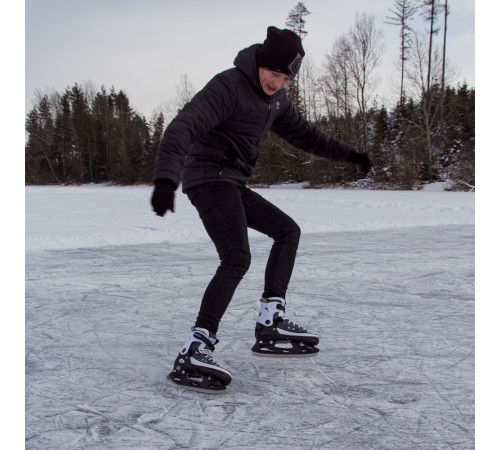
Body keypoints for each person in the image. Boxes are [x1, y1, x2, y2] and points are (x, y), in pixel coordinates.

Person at [151, 26, 372, 393]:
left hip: (233, 182)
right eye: (274, 72)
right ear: (261, 63)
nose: (277, 81)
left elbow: (306, 135)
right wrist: (164, 180)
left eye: (286, 77)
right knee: (237, 257)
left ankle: (270, 320)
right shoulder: (228, 87)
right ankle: (196, 347)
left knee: (288, 231)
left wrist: (349, 155)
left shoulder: (277, 101)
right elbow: (182, 127)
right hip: (207, 178)